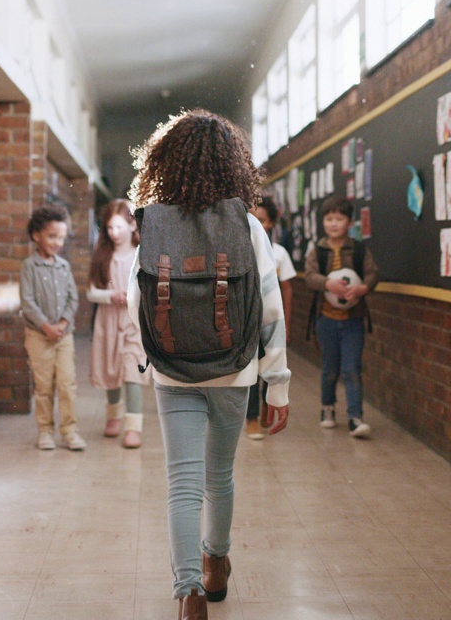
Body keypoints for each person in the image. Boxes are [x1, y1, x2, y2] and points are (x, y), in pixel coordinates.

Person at [127, 109, 290, 620]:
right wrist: (277, 385)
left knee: (182, 483)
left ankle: (189, 595)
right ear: (231, 166)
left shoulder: (154, 225)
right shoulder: (246, 225)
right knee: (218, 477)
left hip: (173, 370)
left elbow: (136, 301)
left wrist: (145, 363)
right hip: (234, 369)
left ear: (165, 164)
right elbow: (269, 307)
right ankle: (216, 564)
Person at [305, 196, 378, 439]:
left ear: (349, 222)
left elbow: (372, 273)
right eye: (329, 219)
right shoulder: (318, 250)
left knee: (352, 368)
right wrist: (327, 283)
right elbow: (309, 275)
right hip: (326, 319)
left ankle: (355, 417)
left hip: (353, 320)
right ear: (323, 222)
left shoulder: (358, 249)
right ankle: (327, 408)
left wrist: (363, 289)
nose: (334, 223)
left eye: (339, 219)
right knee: (330, 369)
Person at [20, 205, 87, 451]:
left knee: (67, 384)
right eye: (52, 236)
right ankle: (45, 431)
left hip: (63, 336)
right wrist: (46, 326)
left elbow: (73, 299)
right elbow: (28, 302)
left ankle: (70, 431)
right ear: (37, 235)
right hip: (39, 336)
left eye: (61, 237)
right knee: (44, 386)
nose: (57, 242)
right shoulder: (30, 267)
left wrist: (62, 324)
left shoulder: (64, 266)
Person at [86, 199, 148, 448]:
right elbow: (91, 292)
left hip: (133, 320)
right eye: (110, 228)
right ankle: (113, 416)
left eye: (119, 227)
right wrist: (111, 296)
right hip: (108, 320)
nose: (114, 233)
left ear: (133, 226)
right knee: (110, 369)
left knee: (133, 369)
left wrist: (133, 297)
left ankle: (134, 426)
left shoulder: (141, 254)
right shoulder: (102, 255)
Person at [244, 196, 294, 440]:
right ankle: (251, 418)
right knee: (252, 371)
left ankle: (268, 407)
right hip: (249, 323)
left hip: (271, 320)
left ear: (271, 223)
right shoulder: (241, 247)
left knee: (270, 365)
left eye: (262, 220)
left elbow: (286, 290)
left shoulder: (279, 253)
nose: (257, 224)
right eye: (253, 218)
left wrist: (287, 324)